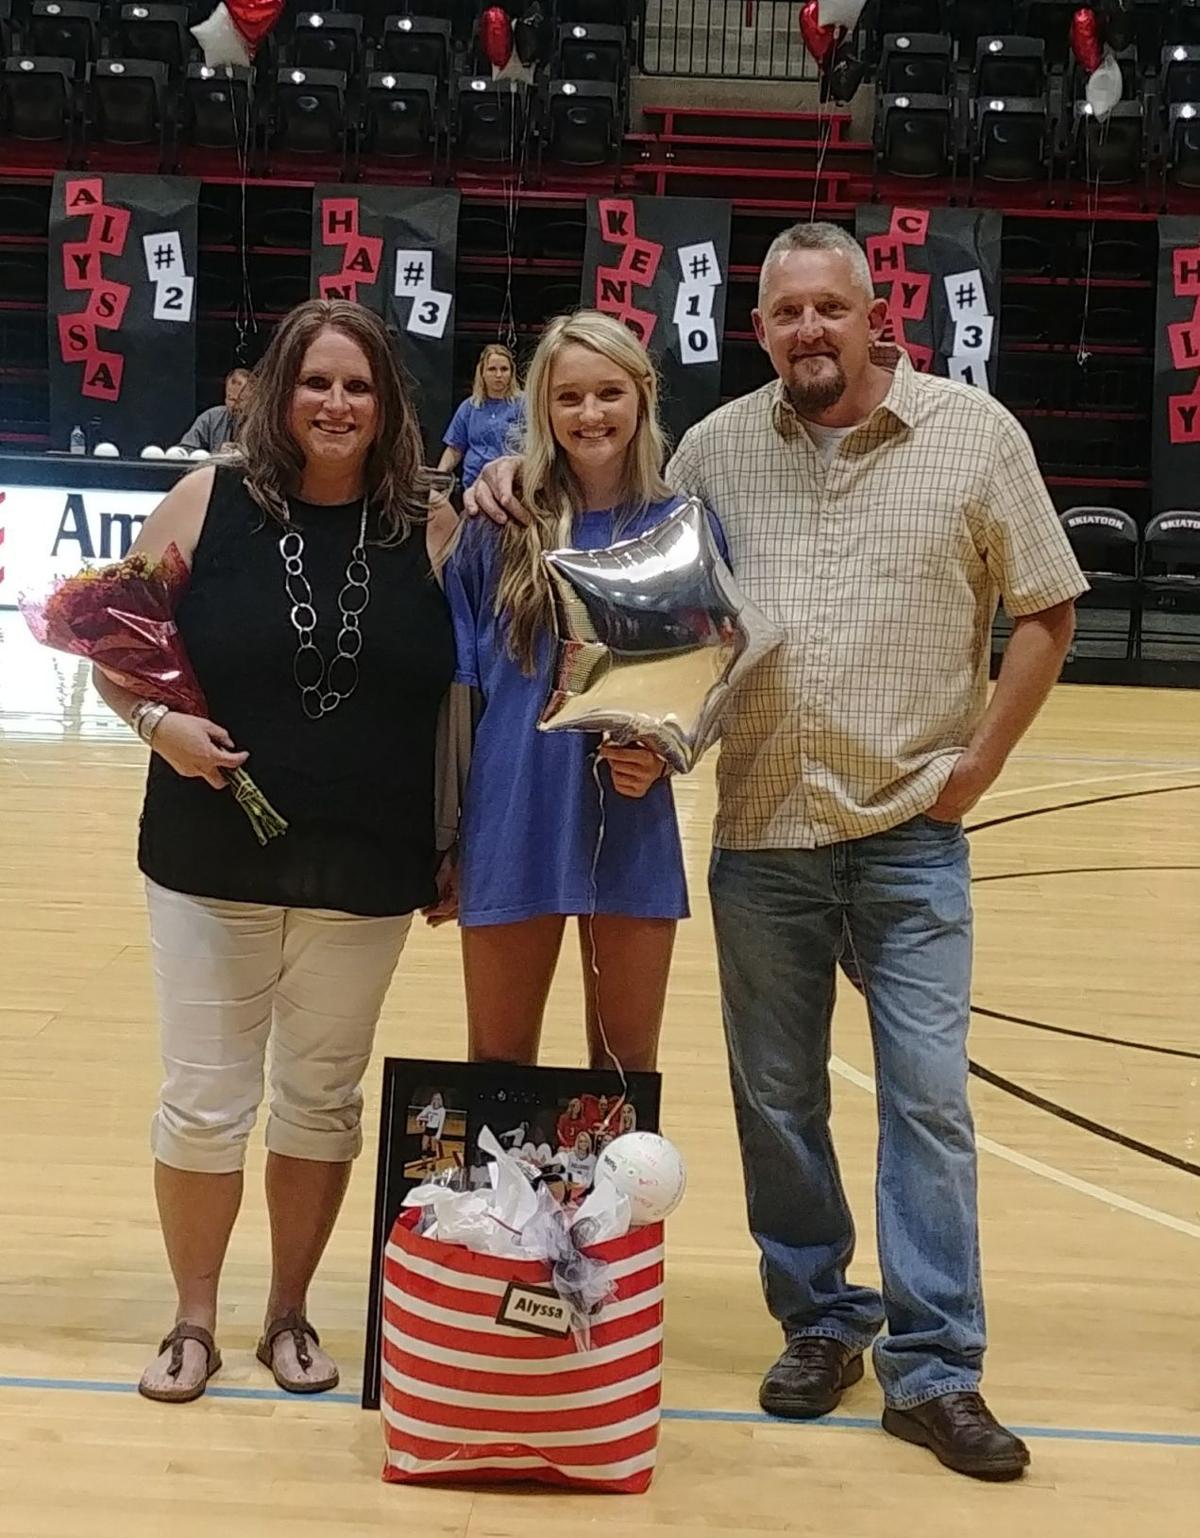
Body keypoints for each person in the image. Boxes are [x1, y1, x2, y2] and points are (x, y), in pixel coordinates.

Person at [465, 224, 1087, 1481]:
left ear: (875, 314)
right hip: (762, 829)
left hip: (913, 828)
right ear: (762, 329)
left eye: (830, 309)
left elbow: (1048, 607)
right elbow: (667, 635)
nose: (810, 330)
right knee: (778, 1105)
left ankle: (936, 1367)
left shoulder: (976, 432)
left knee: (926, 1100)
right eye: (787, 313)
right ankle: (819, 1319)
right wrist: (494, 491)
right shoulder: (715, 452)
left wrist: (980, 769)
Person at [92, 298, 458, 1405]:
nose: (337, 403)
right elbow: (112, 650)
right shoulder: (205, 499)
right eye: (316, 382)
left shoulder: (433, 529)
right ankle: (193, 1318)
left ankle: (288, 1313)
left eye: (359, 385)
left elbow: (465, 705)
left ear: (386, 402)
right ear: (277, 394)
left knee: (322, 1101)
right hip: (208, 860)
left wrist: (456, 842)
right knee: (204, 1100)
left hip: (365, 870)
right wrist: (161, 728)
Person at [444, 311, 724, 1074]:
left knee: (624, 1079)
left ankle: (622, 1205)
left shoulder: (684, 527)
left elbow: (713, 678)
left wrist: (667, 754)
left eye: (608, 393)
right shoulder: (497, 523)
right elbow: (462, 687)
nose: (591, 414)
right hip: (510, 816)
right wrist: (443, 837)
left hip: (630, 817)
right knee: (496, 1073)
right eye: (569, 398)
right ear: (542, 407)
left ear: (642, 395)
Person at [437, 343, 523, 489]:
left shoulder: (524, 406)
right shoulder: (469, 408)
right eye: (492, 369)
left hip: (513, 488)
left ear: (511, 373)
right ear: (482, 372)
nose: (498, 375)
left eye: (504, 369)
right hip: (474, 488)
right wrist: (437, 481)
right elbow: (454, 449)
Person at [180, 366, 251, 452]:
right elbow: (185, 451)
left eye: (241, 400)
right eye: (231, 399)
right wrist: (216, 455)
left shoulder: (263, 423)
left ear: (253, 399)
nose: (234, 406)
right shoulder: (211, 417)